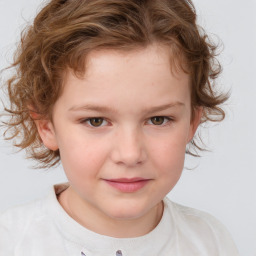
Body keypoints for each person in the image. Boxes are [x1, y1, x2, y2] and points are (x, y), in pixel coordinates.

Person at [0, 0, 239, 255]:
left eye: (158, 119)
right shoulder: (10, 243)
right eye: (96, 121)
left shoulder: (211, 242)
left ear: (192, 122)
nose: (130, 154)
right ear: (46, 126)